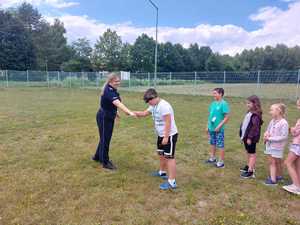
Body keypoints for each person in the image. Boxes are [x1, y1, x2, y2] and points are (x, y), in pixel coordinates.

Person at [134, 88, 178, 190]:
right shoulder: (153, 105)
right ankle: (162, 172)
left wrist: (166, 137)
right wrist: (132, 112)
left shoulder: (164, 106)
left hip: (169, 135)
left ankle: (172, 182)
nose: (148, 103)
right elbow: (144, 113)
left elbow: (168, 122)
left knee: (169, 157)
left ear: (154, 97)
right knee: (161, 154)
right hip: (160, 135)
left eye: (149, 101)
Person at [92, 73, 136, 170]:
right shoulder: (108, 91)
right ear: (110, 81)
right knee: (105, 139)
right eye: (116, 81)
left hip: (107, 115)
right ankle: (105, 162)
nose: (118, 83)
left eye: (119, 81)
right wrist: (129, 112)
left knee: (104, 137)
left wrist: (115, 112)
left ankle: (97, 156)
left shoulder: (112, 89)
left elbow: (110, 104)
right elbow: (117, 103)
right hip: (104, 117)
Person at [263, 103, 289, 186]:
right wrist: (266, 134)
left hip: (277, 146)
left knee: (272, 162)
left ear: (279, 111)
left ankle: (273, 180)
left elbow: (283, 136)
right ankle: (278, 176)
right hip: (270, 145)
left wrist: (270, 138)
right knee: (276, 162)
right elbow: (268, 129)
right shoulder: (272, 121)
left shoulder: (284, 123)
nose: (270, 112)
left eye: (272, 110)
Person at [239, 95, 263, 178]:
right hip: (246, 136)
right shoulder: (249, 112)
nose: (247, 105)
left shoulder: (256, 115)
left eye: (249, 103)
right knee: (248, 152)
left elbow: (255, 128)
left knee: (252, 154)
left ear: (255, 103)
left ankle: (251, 171)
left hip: (251, 138)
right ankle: (248, 165)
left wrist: (250, 137)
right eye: (247, 103)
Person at [205, 88, 230, 168]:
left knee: (220, 145)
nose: (213, 95)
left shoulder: (224, 104)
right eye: (213, 93)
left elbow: (226, 117)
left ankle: (221, 162)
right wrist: (207, 126)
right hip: (211, 128)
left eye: (215, 93)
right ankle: (212, 158)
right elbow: (210, 116)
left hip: (219, 129)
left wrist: (219, 126)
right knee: (212, 143)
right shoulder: (213, 104)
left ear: (221, 94)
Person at [283, 100, 300, 195]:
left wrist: (290, 128)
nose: (298, 107)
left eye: (299, 105)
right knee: (297, 164)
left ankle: (296, 186)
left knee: (288, 163)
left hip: (297, 145)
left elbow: (295, 132)